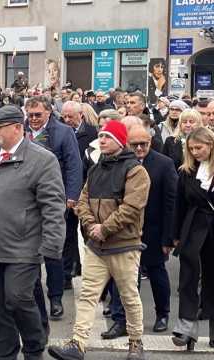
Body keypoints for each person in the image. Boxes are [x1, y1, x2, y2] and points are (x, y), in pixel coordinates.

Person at [0, 105, 66, 360]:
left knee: (17, 298)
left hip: (23, 246)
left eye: (0, 128)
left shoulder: (42, 160)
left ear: (18, 128)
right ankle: (5, 353)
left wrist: (52, 247)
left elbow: (53, 206)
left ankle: (33, 343)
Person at [48, 120, 150, 360]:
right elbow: (83, 200)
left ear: (118, 141)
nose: (101, 140)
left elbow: (132, 208)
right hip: (97, 246)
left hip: (124, 245)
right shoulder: (95, 169)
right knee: (88, 295)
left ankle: (136, 343)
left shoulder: (136, 171)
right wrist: (91, 224)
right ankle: (78, 344)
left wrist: (104, 229)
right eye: (101, 136)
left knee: (129, 296)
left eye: (107, 137)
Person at [105, 125, 177, 338]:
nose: (138, 148)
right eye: (134, 144)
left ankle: (162, 314)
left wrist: (168, 237)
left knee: (156, 274)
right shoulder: (119, 163)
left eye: (143, 144)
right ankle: (120, 321)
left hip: (154, 231)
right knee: (123, 278)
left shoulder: (164, 164)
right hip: (125, 231)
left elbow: (170, 202)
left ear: (150, 142)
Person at [25, 96, 82, 319]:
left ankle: (56, 298)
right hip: (28, 200)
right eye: (30, 115)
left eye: (38, 115)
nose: (33, 119)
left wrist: (71, 196)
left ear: (49, 112)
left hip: (54, 198)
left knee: (53, 252)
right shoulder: (23, 130)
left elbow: (74, 164)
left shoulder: (63, 131)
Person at [171, 127, 214, 351]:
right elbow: (179, 205)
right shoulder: (185, 171)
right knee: (188, 277)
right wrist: (175, 235)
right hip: (193, 226)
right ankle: (186, 327)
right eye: (192, 148)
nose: (195, 152)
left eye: (199, 147)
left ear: (210, 144)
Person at [61, 101, 97, 288]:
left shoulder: (92, 133)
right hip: (66, 192)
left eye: (71, 117)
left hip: (86, 193)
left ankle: (92, 274)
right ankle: (68, 271)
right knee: (67, 234)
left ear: (80, 115)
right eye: (64, 116)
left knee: (87, 233)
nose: (67, 120)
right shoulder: (59, 131)